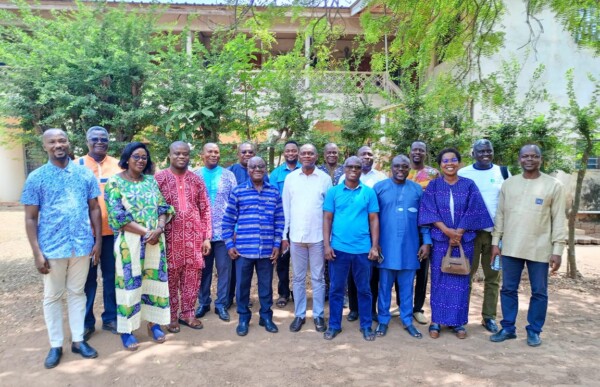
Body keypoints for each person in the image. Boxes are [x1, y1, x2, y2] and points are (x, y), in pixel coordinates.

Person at [21, 128, 102, 368]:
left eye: (62, 140)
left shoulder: (84, 174)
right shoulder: (36, 178)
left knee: (78, 293)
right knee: (53, 297)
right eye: (52, 141)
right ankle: (56, 344)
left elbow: (94, 208)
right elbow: (30, 218)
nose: (58, 144)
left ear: (69, 142)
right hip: (52, 248)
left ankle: (78, 340)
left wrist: (97, 240)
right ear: (45, 146)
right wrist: (37, 252)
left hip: (81, 245)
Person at [490, 144, 566, 347]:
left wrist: (558, 250)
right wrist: (495, 243)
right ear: (519, 159)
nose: (529, 159)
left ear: (541, 159)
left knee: (539, 291)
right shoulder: (509, 184)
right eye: (525, 156)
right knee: (507, 289)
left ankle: (534, 330)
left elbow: (559, 219)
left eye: (534, 156)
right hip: (511, 246)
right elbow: (500, 215)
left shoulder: (553, 185)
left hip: (540, 248)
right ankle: (507, 328)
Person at [104, 142, 175, 351]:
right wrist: (147, 233)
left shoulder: (151, 182)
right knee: (129, 286)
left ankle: (154, 324)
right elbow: (118, 217)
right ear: (127, 158)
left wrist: (159, 229)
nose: (141, 160)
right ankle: (127, 330)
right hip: (130, 243)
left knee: (154, 283)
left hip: (155, 242)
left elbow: (163, 207)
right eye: (136, 156)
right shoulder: (114, 183)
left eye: (144, 157)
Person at [418, 148, 493, 339]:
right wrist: (447, 231)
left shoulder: (469, 185)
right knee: (439, 280)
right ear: (440, 165)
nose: (449, 163)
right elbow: (429, 210)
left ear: (459, 163)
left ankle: (458, 322)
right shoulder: (434, 186)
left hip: (464, 240)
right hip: (441, 240)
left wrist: (458, 232)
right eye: (445, 161)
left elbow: (475, 210)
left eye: (453, 160)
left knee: (460, 280)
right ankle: (436, 321)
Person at [222, 156, 284, 336]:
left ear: (266, 169)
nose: (257, 169)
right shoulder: (238, 191)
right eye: (253, 166)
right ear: (247, 169)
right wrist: (229, 244)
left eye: (261, 166)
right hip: (243, 249)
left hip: (266, 250)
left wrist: (277, 244)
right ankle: (243, 318)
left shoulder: (273, 192)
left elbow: (279, 220)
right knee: (242, 286)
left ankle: (266, 316)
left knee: (266, 286)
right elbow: (227, 221)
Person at [156, 141, 212, 333]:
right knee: (170, 277)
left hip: (193, 238)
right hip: (169, 238)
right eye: (177, 153)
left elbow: (205, 209)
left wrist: (206, 237)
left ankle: (188, 313)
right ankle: (171, 316)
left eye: (185, 154)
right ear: (169, 155)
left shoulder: (196, 180)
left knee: (192, 277)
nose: (181, 157)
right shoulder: (159, 179)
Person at [374, 155, 431, 339]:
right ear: (391, 168)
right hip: (386, 247)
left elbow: (424, 219)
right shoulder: (380, 188)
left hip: (410, 247)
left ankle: (407, 320)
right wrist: (374, 244)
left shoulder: (417, 189)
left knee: (407, 287)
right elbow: (372, 218)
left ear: (409, 169)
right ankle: (383, 319)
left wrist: (426, 241)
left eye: (404, 166)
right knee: (384, 286)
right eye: (397, 166)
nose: (400, 169)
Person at [323, 156, 380, 341]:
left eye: (357, 166)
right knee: (336, 289)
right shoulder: (334, 192)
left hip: (362, 250)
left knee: (364, 289)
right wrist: (326, 245)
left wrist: (374, 246)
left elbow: (374, 220)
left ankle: (365, 326)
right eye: (350, 166)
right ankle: (334, 325)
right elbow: (327, 219)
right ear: (345, 169)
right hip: (338, 249)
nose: (354, 169)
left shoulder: (369, 193)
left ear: (361, 169)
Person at [457, 139, 510, 333]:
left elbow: (507, 204)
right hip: (469, 235)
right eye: (481, 151)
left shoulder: (503, 173)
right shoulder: (463, 174)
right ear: (473, 154)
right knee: (465, 276)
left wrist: (503, 233)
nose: (485, 154)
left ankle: (488, 317)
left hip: (494, 235)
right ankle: (460, 316)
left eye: (488, 151)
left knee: (493, 277)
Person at [75, 126, 122, 341]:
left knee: (112, 278)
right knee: (88, 280)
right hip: (86, 235)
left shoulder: (118, 165)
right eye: (95, 138)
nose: (100, 141)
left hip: (113, 232)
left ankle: (111, 317)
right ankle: (86, 322)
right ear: (87, 141)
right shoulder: (77, 166)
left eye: (104, 138)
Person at [282, 144, 332, 333]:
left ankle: (318, 315)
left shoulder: (325, 179)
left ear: (316, 156)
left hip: (318, 237)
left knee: (318, 278)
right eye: (304, 153)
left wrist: (328, 239)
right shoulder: (291, 179)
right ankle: (299, 314)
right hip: (296, 237)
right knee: (298, 278)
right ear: (300, 156)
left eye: (311, 153)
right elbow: (286, 208)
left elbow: (329, 211)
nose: (307, 156)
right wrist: (284, 235)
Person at [340, 146, 386, 323]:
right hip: (352, 232)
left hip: (373, 231)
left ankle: (371, 309)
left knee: (371, 274)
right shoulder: (345, 178)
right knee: (352, 273)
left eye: (370, 154)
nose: (367, 157)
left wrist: (377, 240)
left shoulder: (380, 177)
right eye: (363, 154)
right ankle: (354, 308)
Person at [196, 143, 238, 322]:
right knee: (202, 271)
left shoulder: (229, 175)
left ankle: (221, 304)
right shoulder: (195, 175)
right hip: (201, 233)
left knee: (224, 269)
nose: (214, 154)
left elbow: (235, 204)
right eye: (210, 152)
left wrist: (235, 230)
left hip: (224, 232)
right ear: (202, 155)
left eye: (216, 152)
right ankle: (203, 302)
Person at [226, 142, 268, 310]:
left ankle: (265, 314)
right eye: (244, 151)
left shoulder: (265, 178)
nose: (247, 154)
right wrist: (233, 233)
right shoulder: (231, 172)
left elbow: (267, 206)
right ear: (238, 154)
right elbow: (230, 209)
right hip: (240, 235)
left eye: (251, 151)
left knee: (263, 279)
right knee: (237, 275)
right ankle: (231, 301)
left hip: (260, 239)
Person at [407, 141, 440, 325]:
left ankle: (417, 308)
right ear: (410, 152)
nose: (417, 152)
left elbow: (437, 202)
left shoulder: (433, 174)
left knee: (421, 270)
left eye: (421, 150)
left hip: (425, 228)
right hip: (403, 228)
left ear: (426, 153)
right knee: (402, 268)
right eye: (415, 149)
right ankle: (403, 304)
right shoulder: (401, 169)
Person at [269, 140, 301, 308]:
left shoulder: (305, 170)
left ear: (298, 152)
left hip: (300, 222)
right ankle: (283, 292)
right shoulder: (276, 174)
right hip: (282, 223)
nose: (291, 153)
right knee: (282, 261)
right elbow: (273, 198)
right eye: (288, 150)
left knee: (298, 260)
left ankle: (298, 291)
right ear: (284, 152)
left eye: (294, 150)